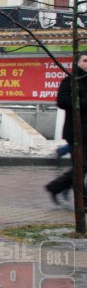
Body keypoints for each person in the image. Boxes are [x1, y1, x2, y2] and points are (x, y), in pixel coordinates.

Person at [45, 52, 87, 205]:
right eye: (85, 60)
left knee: (82, 167)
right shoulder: (70, 80)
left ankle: (56, 187)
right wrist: (83, 102)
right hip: (76, 132)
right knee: (81, 167)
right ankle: (83, 202)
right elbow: (62, 101)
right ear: (77, 63)